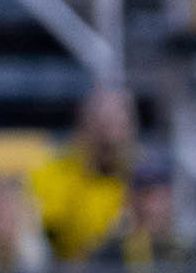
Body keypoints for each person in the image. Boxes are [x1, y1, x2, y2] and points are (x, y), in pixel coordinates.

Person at [27, 85, 137, 263]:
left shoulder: (142, 180)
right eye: (101, 126)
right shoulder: (53, 174)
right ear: (82, 126)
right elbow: (53, 237)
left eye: (118, 126)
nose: (109, 139)